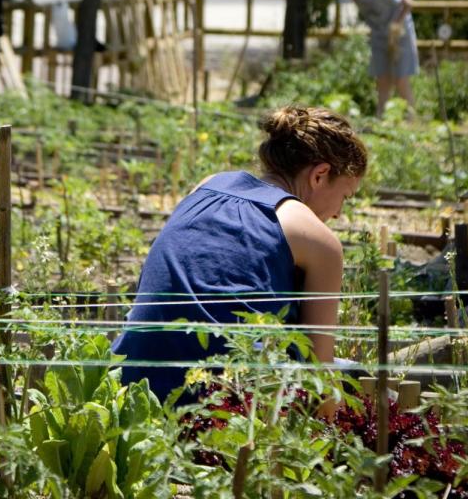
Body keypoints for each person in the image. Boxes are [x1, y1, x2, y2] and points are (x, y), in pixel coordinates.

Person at [111, 106, 368, 405]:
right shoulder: (317, 239)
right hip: (223, 410)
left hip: (135, 392)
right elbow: (321, 379)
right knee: (354, 380)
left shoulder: (208, 185)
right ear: (320, 175)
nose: (338, 213)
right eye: (345, 197)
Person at [336, 0, 419, 118]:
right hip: (379, 36)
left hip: (400, 35)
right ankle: (380, 116)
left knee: (400, 78)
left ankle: (410, 117)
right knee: (381, 76)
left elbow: (407, 3)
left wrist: (395, 26)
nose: (354, 0)